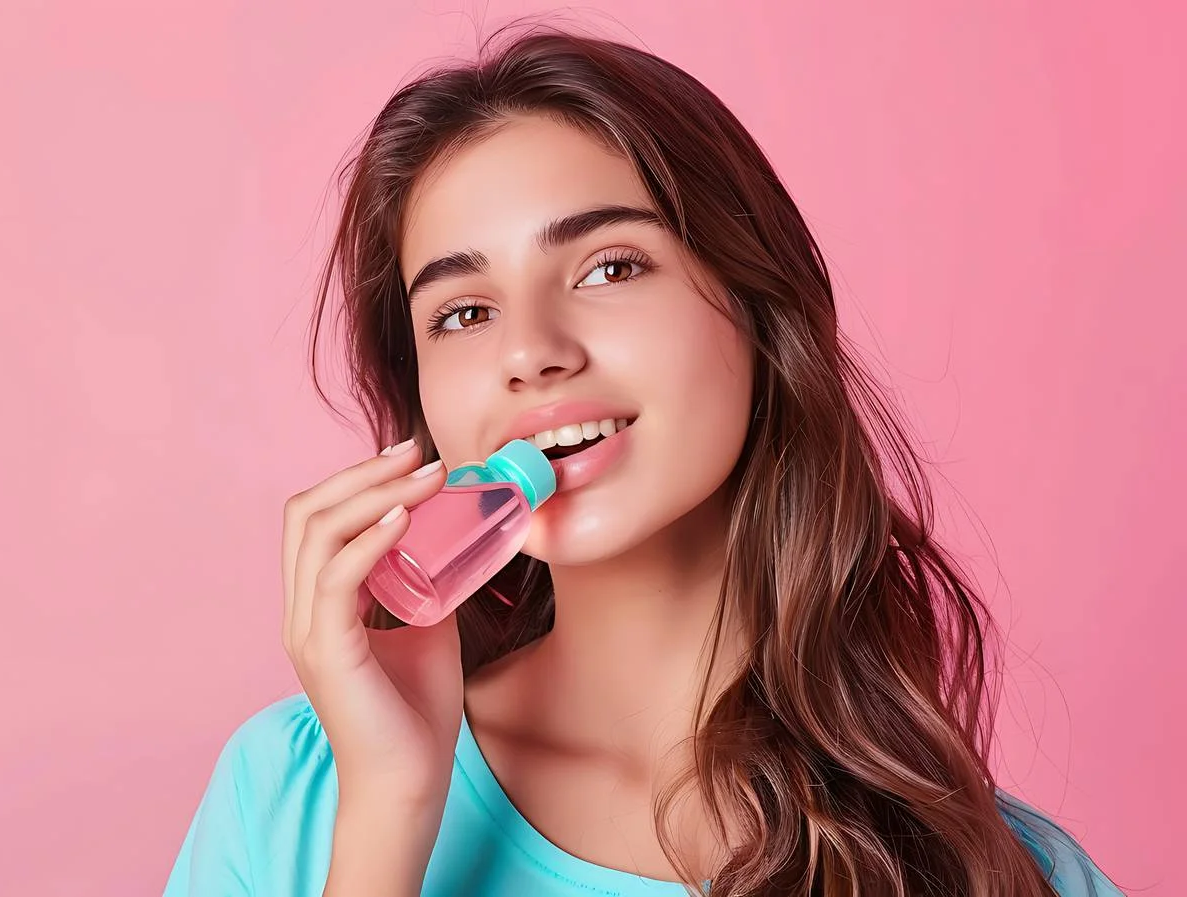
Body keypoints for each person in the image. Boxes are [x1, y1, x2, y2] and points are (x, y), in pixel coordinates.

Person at [163, 21, 1126, 897]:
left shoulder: (993, 869)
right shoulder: (289, 797)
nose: (530, 351)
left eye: (609, 267)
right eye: (463, 313)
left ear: (756, 307)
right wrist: (389, 814)